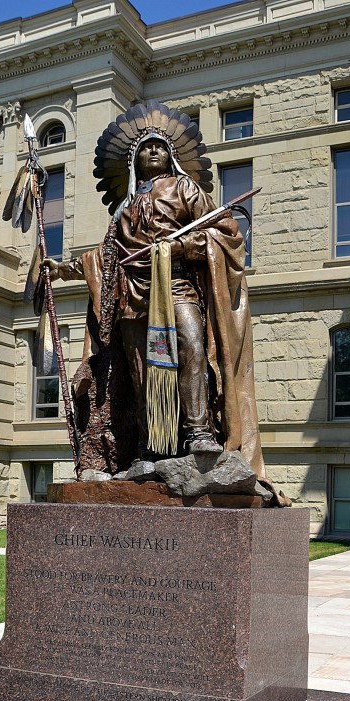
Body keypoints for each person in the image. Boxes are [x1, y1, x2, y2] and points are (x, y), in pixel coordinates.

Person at [40, 101, 266, 479]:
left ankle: (198, 433)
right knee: (141, 373)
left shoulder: (185, 189)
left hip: (177, 286)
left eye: (160, 145)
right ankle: (147, 448)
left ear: (172, 155)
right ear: (135, 160)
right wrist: (61, 269)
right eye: (145, 147)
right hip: (133, 298)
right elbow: (104, 258)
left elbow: (225, 232)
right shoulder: (125, 210)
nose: (154, 151)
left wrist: (181, 247)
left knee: (192, 348)